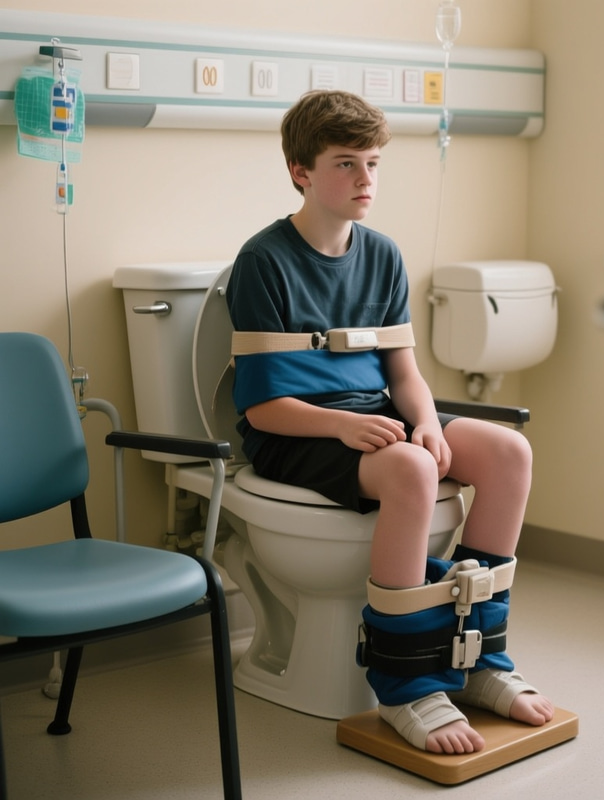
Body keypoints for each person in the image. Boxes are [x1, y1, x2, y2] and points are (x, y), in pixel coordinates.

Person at [226, 89, 554, 755]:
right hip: (294, 432)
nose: (365, 180)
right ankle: (406, 681)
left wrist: (429, 424)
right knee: (408, 467)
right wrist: (342, 429)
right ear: (302, 172)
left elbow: (403, 375)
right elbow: (260, 408)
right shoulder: (263, 262)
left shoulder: (383, 255)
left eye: (373, 163)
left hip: (375, 418)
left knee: (507, 454)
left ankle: (478, 656)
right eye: (346, 164)